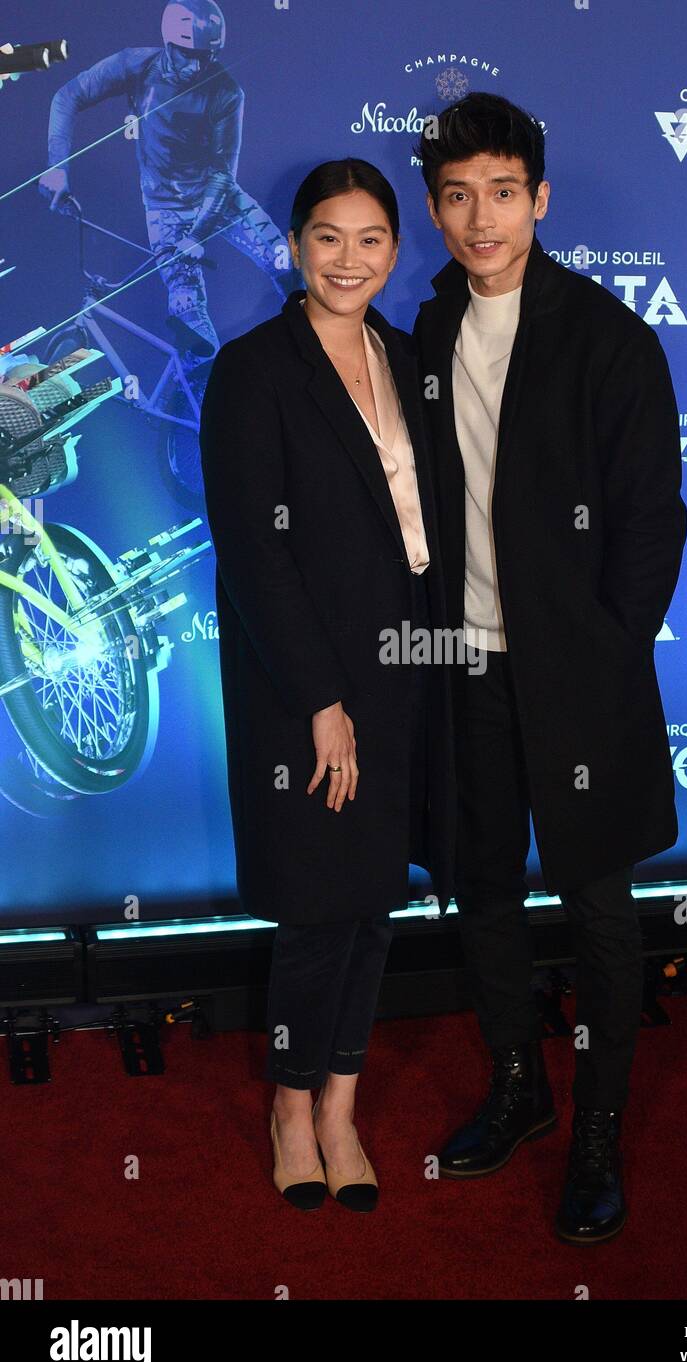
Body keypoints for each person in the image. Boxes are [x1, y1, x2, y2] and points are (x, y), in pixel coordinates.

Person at [412, 92, 687, 1243]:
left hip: (576, 680)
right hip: (463, 670)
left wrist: (605, 653)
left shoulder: (605, 334)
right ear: (435, 208)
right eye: (458, 196)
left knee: (600, 907)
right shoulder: (423, 329)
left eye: (503, 193)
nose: (482, 218)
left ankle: (597, 1130)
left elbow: (650, 524)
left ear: (540, 197)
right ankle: (521, 1089)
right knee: (480, 888)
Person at [199, 158, 455, 1213]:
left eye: (371, 240)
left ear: (396, 251)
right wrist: (321, 699)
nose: (350, 259)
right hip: (302, 683)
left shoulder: (409, 357)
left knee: (373, 906)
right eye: (328, 237)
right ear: (296, 246)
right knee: (314, 908)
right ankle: (289, 1108)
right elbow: (256, 557)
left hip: (410, 671)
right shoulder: (253, 369)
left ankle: (341, 1104)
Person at [39, 1, 292, 373]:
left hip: (218, 199)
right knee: (191, 320)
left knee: (285, 262)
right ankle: (206, 403)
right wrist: (57, 169)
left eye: (205, 56)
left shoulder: (226, 91)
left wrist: (198, 234)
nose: (196, 66)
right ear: (169, 43)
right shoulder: (136, 65)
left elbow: (223, 175)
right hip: (165, 209)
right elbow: (67, 96)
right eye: (187, 55)